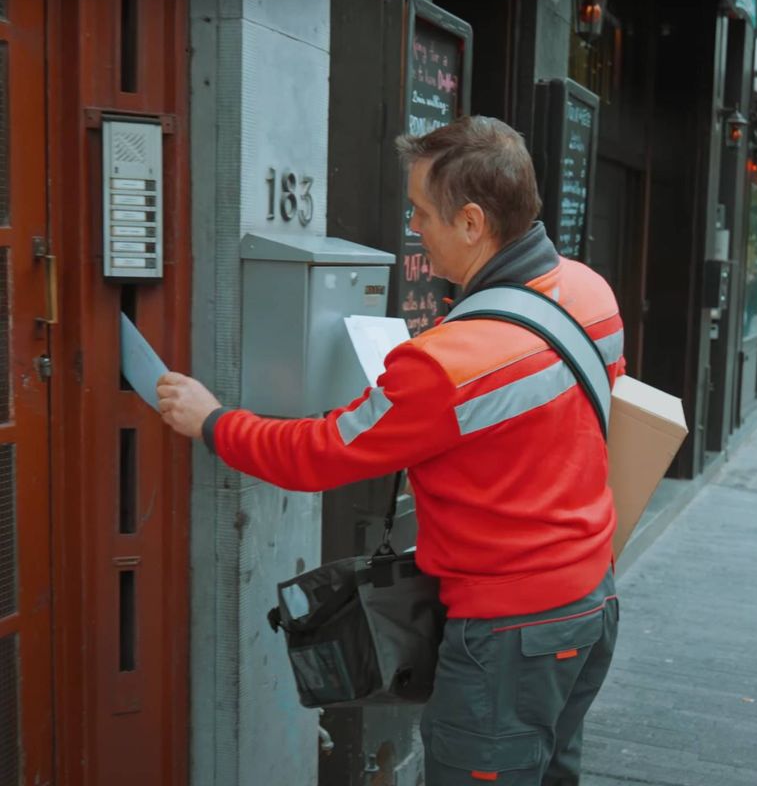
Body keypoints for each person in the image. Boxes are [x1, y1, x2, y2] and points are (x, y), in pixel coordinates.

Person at [156, 116, 624, 785]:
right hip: (589, 607)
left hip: (508, 636)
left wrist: (212, 421)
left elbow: (319, 453)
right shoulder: (590, 293)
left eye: (421, 212)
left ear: (470, 222)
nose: (415, 229)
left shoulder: (447, 362)